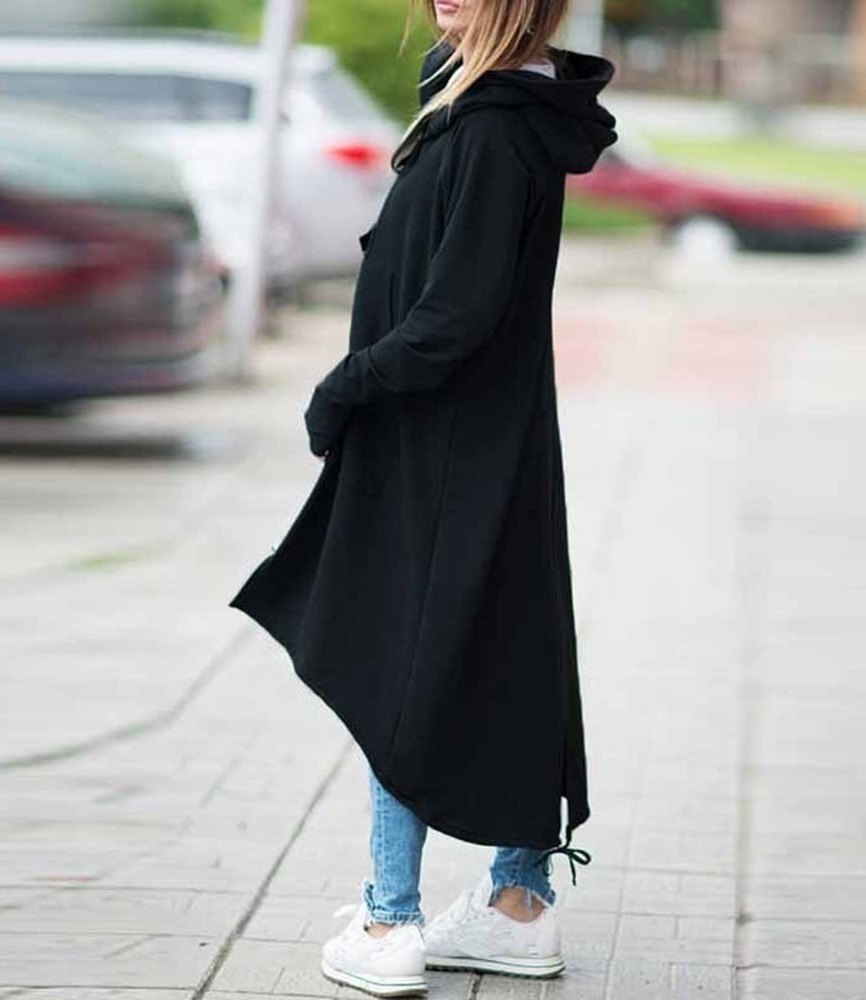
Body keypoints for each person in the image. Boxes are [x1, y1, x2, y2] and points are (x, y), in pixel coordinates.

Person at [229, 0, 617, 995]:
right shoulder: (495, 108)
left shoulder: (492, 130)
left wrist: (346, 385)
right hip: (483, 436)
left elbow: (456, 312)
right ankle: (517, 904)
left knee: (394, 662)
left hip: (437, 440)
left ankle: (388, 917)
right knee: (500, 643)